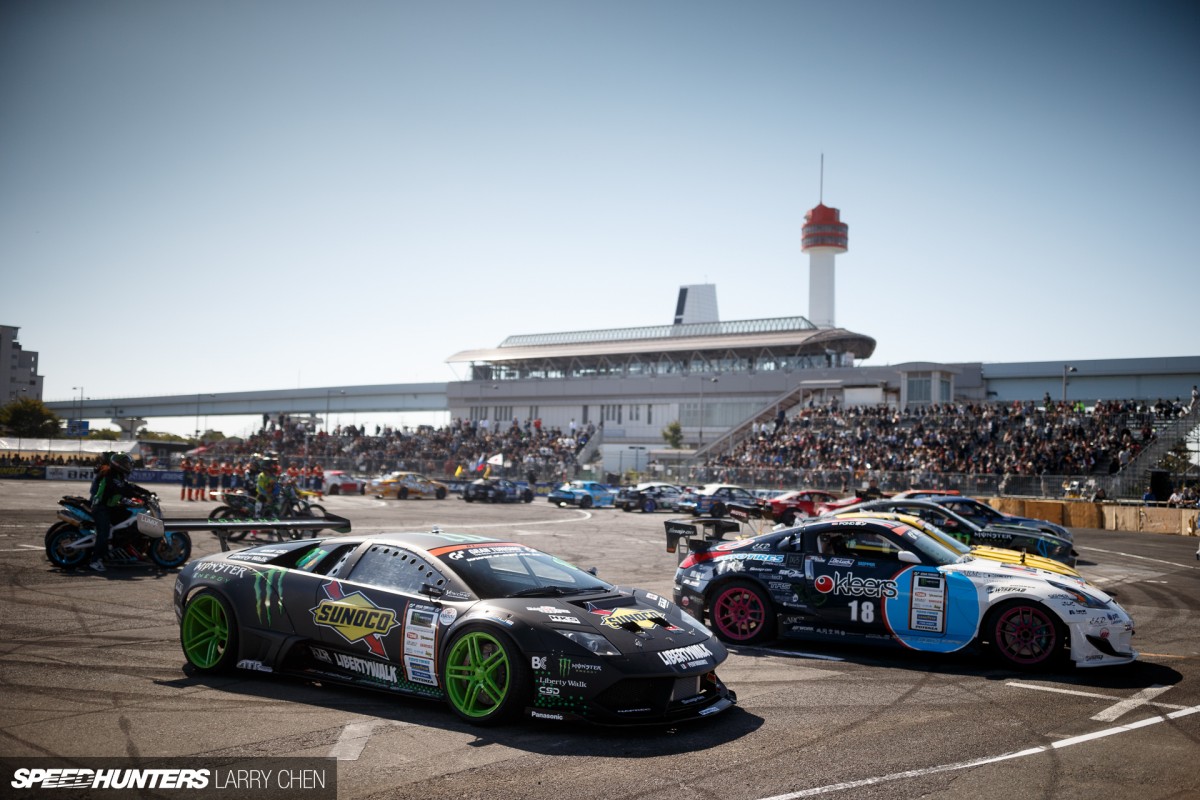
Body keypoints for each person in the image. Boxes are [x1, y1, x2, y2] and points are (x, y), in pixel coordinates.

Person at [88, 452, 150, 572]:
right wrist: (137, 497)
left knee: (127, 521)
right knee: (104, 533)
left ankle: (120, 548)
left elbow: (129, 486)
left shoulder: (118, 475)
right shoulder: (109, 476)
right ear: (119, 464)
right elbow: (122, 490)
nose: (129, 466)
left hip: (110, 507)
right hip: (101, 507)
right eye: (126, 464)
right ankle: (95, 560)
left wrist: (147, 492)